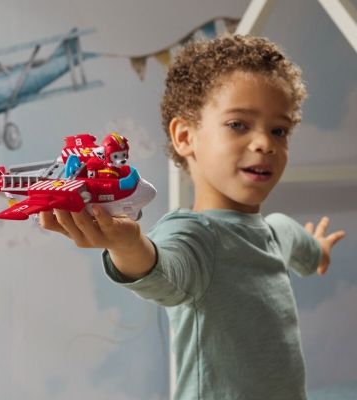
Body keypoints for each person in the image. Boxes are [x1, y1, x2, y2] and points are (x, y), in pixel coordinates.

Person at [39, 35, 346, 400]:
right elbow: (164, 271)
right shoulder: (196, 235)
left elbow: (306, 249)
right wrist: (128, 245)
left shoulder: (279, 232)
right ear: (185, 136)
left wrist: (319, 249)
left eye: (279, 130)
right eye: (238, 124)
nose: (265, 143)